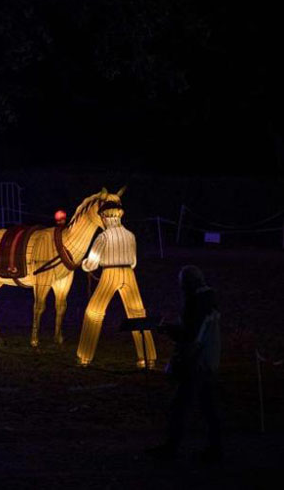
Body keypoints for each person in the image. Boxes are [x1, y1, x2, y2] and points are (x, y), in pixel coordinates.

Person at [148, 265, 222, 462]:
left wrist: (170, 331)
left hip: (196, 361)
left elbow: (190, 334)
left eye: (182, 284)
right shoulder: (209, 300)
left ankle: (172, 446)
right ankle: (215, 447)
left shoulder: (195, 304)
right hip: (209, 359)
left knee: (180, 405)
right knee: (208, 405)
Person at [76, 198, 156, 368]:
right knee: (137, 313)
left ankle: (85, 357)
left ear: (104, 217)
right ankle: (147, 358)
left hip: (109, 274)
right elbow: (134, 262)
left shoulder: (103, 237)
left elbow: (91, 263)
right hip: (129, 274)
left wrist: (84, 265)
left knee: (93, 312)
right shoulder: (130, 236)